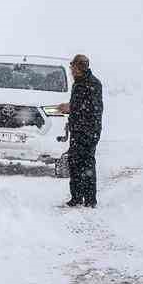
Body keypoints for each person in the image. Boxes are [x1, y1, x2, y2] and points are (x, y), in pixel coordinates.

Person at [59, 54, 104, 207]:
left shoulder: (93, 84)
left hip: (88, 131)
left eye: (73, 67)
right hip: (77, 130)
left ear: (79, 68)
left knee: (87, 164)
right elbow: (80, 105)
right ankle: (77, 197)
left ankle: (90, 200)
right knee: (75, 163)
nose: (71, 70)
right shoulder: (78, 84)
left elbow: (92, 109)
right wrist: (70, 108)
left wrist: (70, 108)